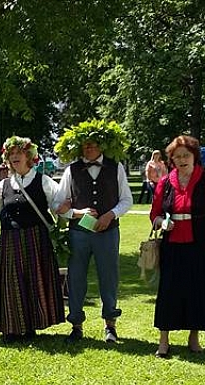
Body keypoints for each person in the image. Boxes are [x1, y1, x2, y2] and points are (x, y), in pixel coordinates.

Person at [54, 119, 133, 344]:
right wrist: (77, 213)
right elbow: (58, 205)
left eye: (93, 144)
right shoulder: (72, 170)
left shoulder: (115, 167)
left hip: (108, 232)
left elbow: (127, 200)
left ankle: (110, 326)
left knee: (109, 277)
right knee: (76, 277)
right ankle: (76, 325)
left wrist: (111, 215)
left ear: (102, 145)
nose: (89, 148)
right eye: (85, 145)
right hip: (79, 233)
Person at [149, 136, 205, 358]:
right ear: (171, 159)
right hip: (172, 243)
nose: (182, 159)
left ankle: (194, 338)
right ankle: (163, 341)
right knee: (169, 291)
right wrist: (161, 222)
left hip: (200, 243)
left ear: (195, 156)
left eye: (186, 155)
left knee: (198, 288)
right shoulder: (165, 182)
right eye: (177, 156)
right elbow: (154, 214)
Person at [0, 137, 65, 343]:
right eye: (10, 154)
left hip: (36, 239)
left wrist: (74, 213)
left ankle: (31, 325)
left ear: (29, 157)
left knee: (34, 280)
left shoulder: (44, 181)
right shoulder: (3, 186)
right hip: (10, 240)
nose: (14, 157)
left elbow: (59, 207)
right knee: (12, 282)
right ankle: (12, 328)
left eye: (18, 153)